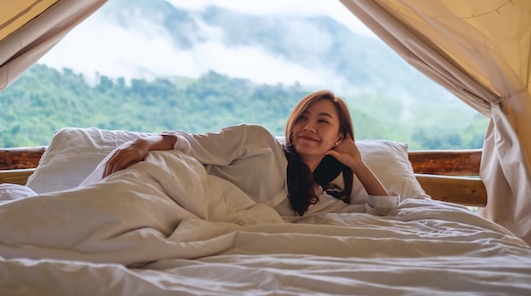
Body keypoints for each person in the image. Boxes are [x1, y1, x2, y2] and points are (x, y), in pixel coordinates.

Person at [102, 90, 398, 217]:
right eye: (303, 118)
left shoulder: (317, 196)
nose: (309, 127)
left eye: (323, 121)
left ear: (339, 137)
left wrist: (357, 163)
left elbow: (384, 209)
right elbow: (190, 143)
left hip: (178, 211)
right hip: (159, 183)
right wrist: (142, 144)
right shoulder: (259, 141)